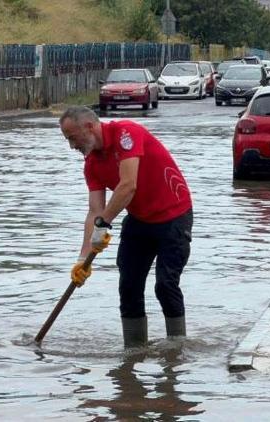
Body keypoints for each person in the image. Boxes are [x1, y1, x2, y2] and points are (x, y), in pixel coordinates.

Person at [59, 106, 193, 347]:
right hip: (139, 220)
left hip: (174, 216)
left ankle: (177, 350)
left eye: (72, 138)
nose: (72, 146)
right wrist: (82, 259)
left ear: (89, 127)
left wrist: (104, 224)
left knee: (165, 284)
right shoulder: (92, 165)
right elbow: (94, 211)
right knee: (129, 285)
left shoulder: (126, 134)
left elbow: (128, 186)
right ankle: (133, 353)